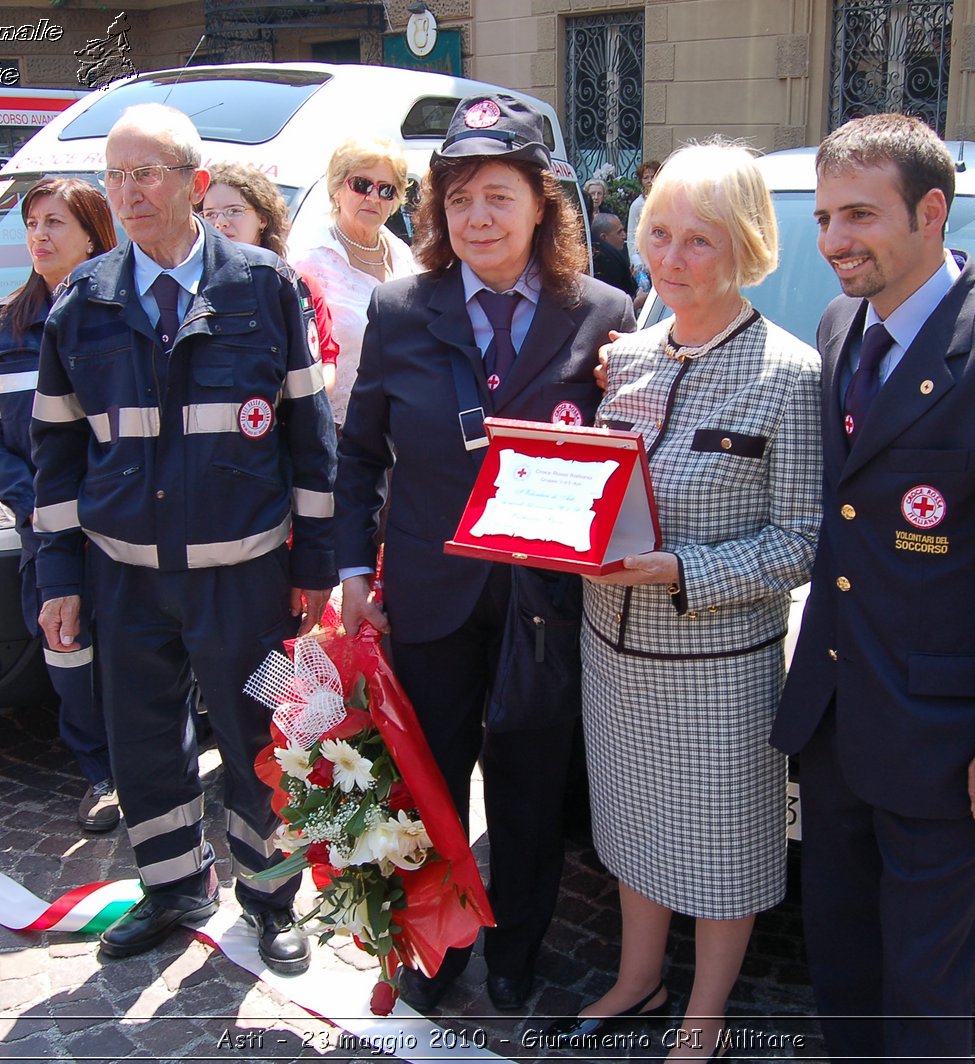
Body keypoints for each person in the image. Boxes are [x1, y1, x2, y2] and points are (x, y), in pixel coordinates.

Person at [770, 113, 975, 1061]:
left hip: (949, 748)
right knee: (839, 957)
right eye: (826, 217)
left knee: (923, 986)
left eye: (861, 216)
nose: (836, 241)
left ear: (932, 211)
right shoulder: (841, 325)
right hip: (836, 721)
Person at [334, 93, 636, 1012]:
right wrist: (353, 574)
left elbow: (628, 450)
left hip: (547, 601)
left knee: (531, 785)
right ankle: (437, 947)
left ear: (543, 204)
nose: (478, 218)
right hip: (431, 597)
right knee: (429, 785)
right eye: (458, 199)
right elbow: (358, 456)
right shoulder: (400, 308)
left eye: (499, 195)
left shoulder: (605, 314)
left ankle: (515, 948)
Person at [30, 103, 337, 974]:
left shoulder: (263, 288)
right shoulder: (82, 304)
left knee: (261, 739)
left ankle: (273, 899)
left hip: (246, 582)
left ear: (196, 184)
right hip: (124, 580)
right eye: (114, 175)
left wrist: (312, 565)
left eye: (147, 173)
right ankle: (173, 889)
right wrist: (60, 577)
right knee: (142, 741)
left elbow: (309, 437)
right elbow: (54, 459)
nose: (126, 192)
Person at [547, 142, 821, 1060]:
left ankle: (704, 1013)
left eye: (697, 241)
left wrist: (677, 571)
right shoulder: (627, 360)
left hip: (716, 670)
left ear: (744, 246)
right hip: (610, 653)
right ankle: (637, 977)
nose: (668, 259)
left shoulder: (789, 375)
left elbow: (802, 542)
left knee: (722, 852)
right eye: (658, 233)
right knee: (627, 826)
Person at [0, 178, 120, 832]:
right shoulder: (3, 331)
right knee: (67, 654)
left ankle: (147, 772)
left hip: (119, 533)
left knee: (134, 658)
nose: (39, 236)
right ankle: (101, 774)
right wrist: (37, 503)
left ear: (92, 233)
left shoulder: (124, 316)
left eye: (55, 222)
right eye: (32, 223)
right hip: (47, 538)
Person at [289, 138, 418, 429]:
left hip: (400, 422)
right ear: (336, 189)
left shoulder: (403, 255)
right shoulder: (310, 260)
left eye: (387, 190)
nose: (373, 197)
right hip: (337, 428)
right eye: (361, 184)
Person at [200, 161, 340, 392]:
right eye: (210, 214)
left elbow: (325, 368)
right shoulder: (192, 286)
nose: (220, 222)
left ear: (262, 219)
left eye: (234, 210)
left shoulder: (297, 286)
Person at [588, 212, 638, 301]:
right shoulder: (607, 264)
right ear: (603, 237)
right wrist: (638, 302)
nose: (624, 236)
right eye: (619, 232)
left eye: (623, 230)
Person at [625, 158, 660, 279]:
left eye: (653, 176)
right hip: (643, 260)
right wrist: (636, 262)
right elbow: (631, 237)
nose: (650, 181)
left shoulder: (667, 202)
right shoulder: (637, 205)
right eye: (646, 177)